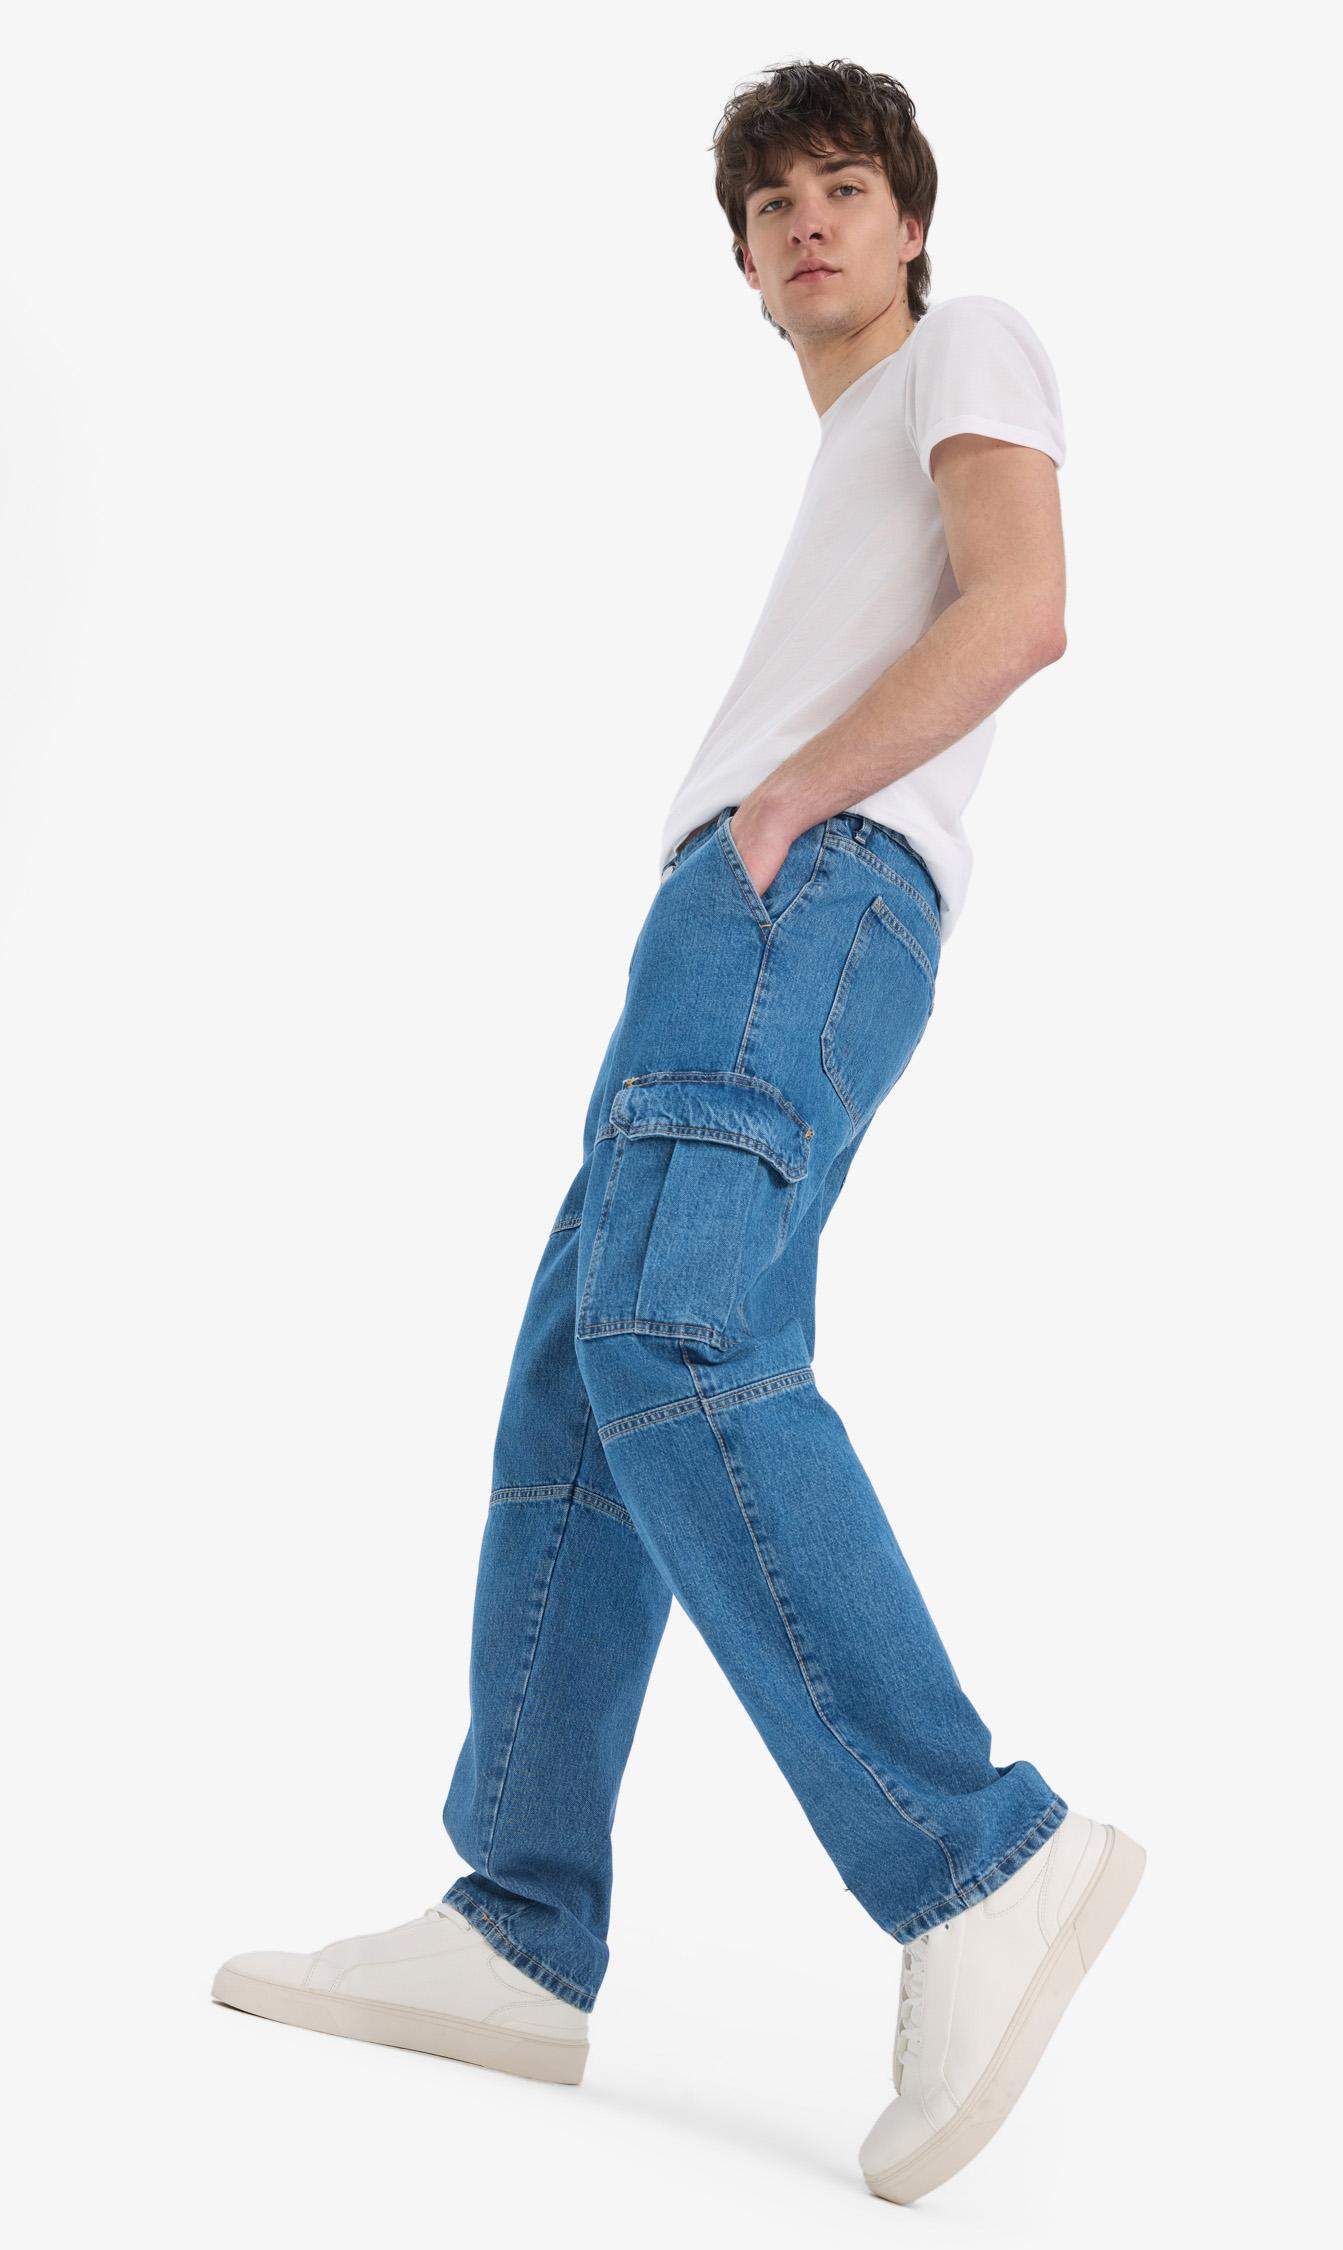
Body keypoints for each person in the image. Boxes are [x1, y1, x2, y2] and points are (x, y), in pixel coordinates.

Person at [211, 57, 1144, 2205]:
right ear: (740, 264)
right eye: (772, 202)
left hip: (803, 888)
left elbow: (1022, 604)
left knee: (675, 1338)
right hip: (739, 910)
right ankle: (517, 1923)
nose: (809, 219)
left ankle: (977, 1858)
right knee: (584, 1378)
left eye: (847, 187)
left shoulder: (972, 349)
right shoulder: (848, 445)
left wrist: (792, 802)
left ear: (914, 224)